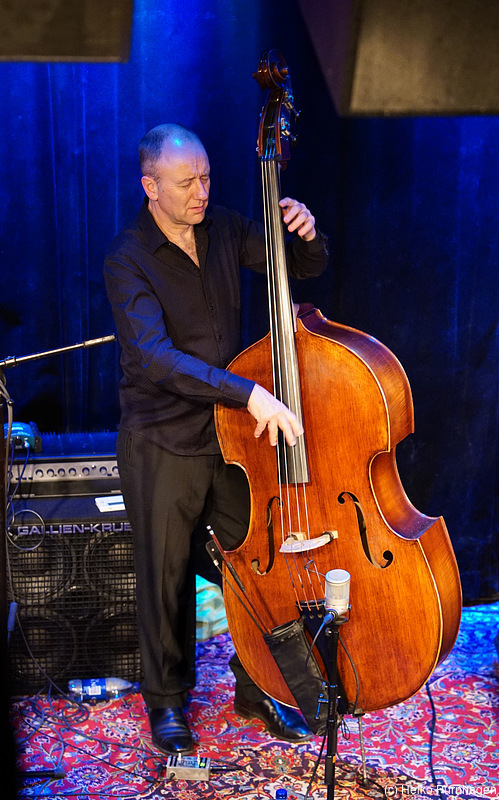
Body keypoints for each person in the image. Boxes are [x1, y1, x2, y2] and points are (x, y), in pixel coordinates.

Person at [104, 123, 328, 756]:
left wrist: (305, 236)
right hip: (161, 439)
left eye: (205, 178)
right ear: (151, 187)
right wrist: (247, 391)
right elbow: (155, 358)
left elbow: (293, 268)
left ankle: (258, 684)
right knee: (167, 575)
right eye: (186, 183)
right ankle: (167, 703)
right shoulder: (127, 258)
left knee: (254, 563)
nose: (201, 192)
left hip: (228, 439)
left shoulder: (225, 226)